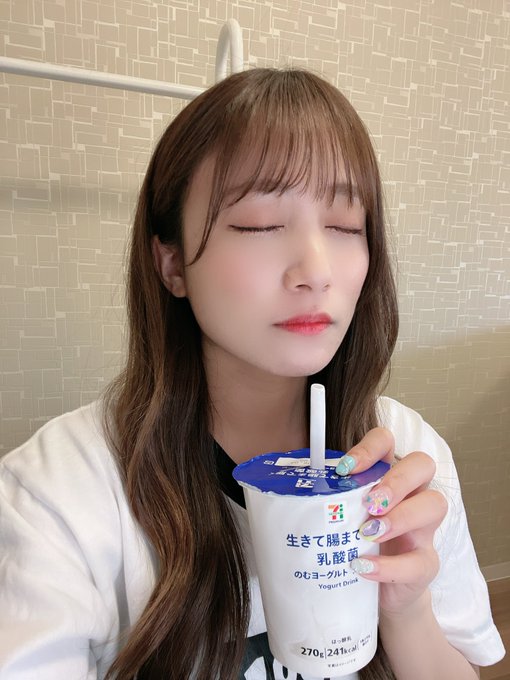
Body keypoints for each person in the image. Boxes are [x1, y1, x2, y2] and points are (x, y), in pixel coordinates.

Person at [0, 68, 504, 680]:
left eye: (346, 227)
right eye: (260, 223)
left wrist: (406, 608)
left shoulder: (407, 458)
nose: (316, 271)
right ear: (172, 264)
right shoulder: (57, 496)